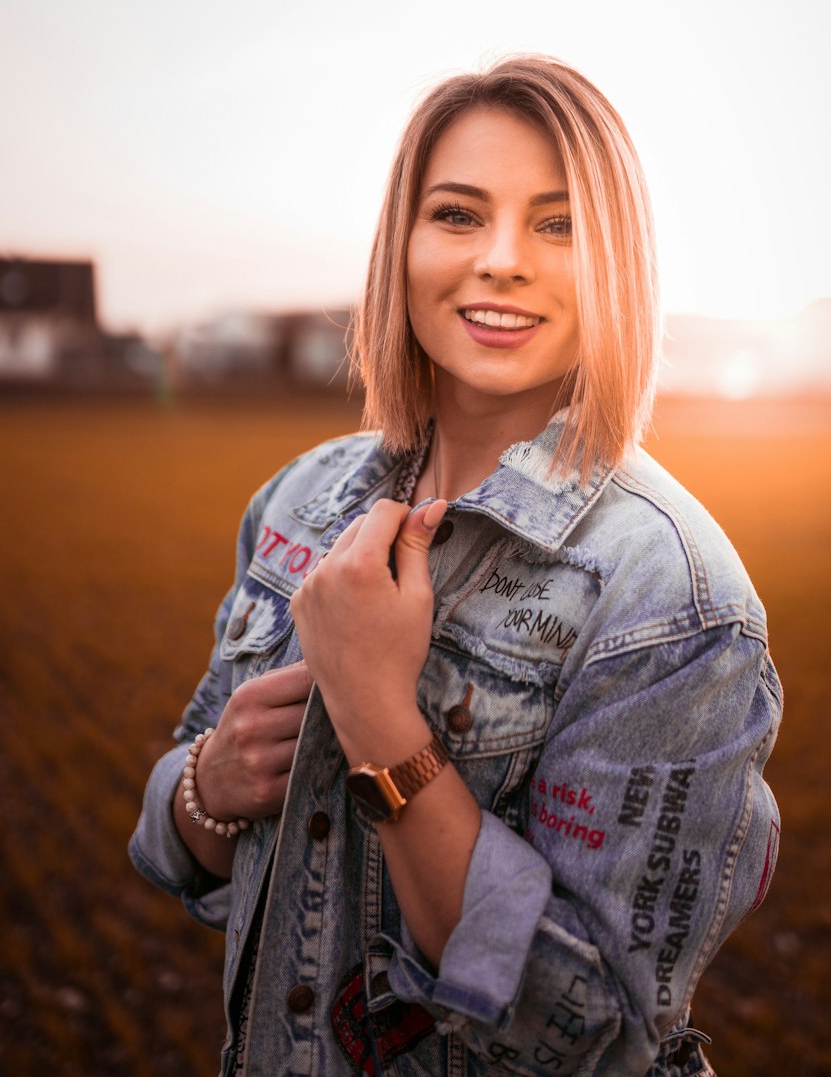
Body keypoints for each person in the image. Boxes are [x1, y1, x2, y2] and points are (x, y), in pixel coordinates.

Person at [130, 55, 782, 1077]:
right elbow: (183, 839)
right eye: (458, 214)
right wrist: (207, 785)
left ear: (619, 264)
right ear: (404, 245)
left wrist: (379, 720)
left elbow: (590, 1032)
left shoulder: (671, 595)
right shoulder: (301, 499)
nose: (503, 261)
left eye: (558, 225)